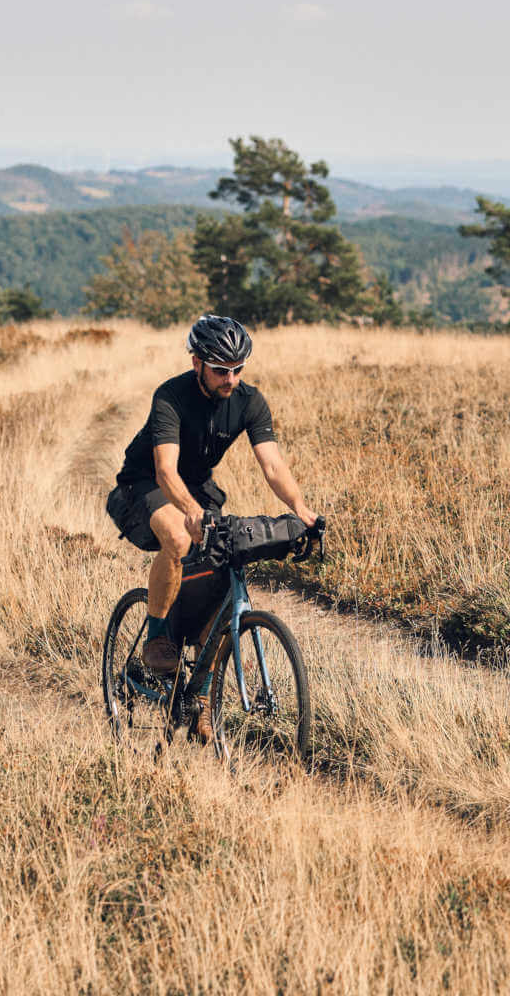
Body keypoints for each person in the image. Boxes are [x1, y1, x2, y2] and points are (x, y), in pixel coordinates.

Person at [105, 315, 318, 743]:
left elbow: (273, 465)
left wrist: (301, 509)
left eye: (238, 369)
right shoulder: (171, 395)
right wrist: (189, 510)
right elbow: (165, 469)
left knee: (225, 562)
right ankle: (160, 639)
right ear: (197, 361)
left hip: (199, 485)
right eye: (221, 369)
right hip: (143, 482)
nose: (231, 379)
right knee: (181, 537)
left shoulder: (249, 401)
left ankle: (200, 696)